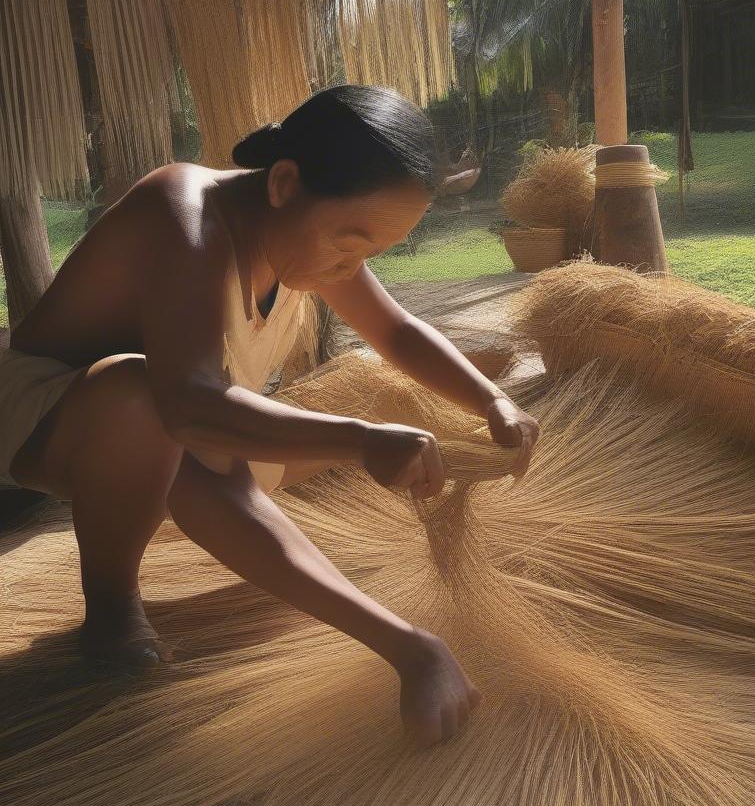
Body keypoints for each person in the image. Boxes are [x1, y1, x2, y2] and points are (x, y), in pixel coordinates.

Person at [0, 84, 540, 748]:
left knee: (227, 445)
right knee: (147, 399)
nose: (354, 265)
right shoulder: (186, 215)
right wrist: (359, 441)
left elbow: (395, 333)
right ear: (284, 183)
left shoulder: (308, 235)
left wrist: (491, 399)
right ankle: (111, 606)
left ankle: (409, 647)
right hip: (42, 415)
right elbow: (189, 408)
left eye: (373, 251)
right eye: (351, 241)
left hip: (173, 423)